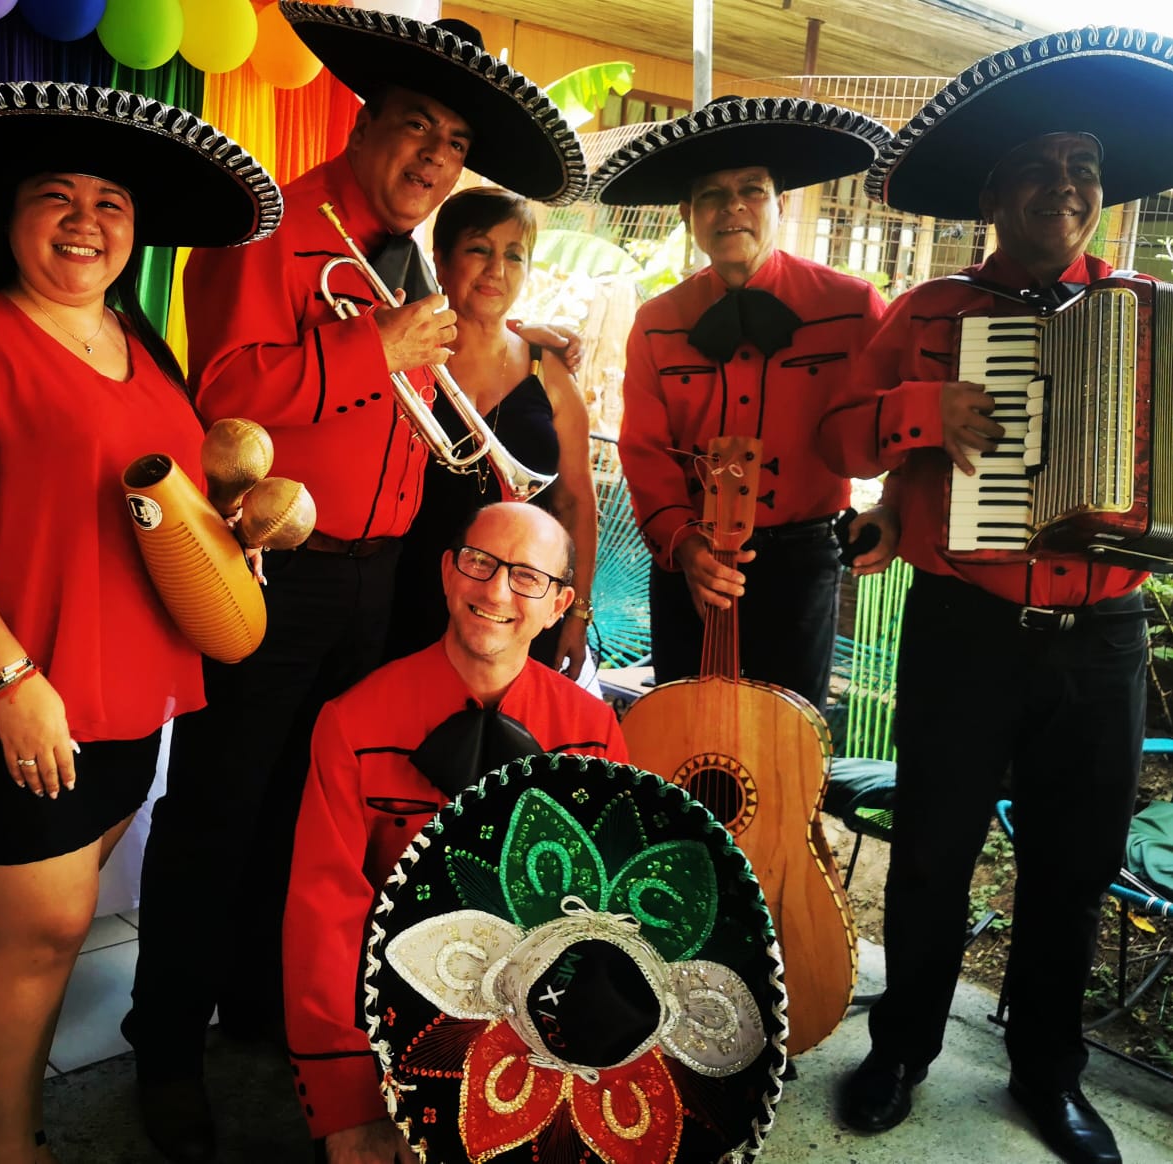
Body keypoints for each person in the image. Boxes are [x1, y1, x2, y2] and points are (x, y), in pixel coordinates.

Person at [121, 8, 588, 1161]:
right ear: (365, 121)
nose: (432, 161)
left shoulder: (407, 256)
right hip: (277, 571)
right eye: (414, 131)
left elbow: (428, 372)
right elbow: (223, 388)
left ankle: (260, 1007)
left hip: (377, 583)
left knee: (310, 819)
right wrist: (365, 350)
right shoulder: (266, 224)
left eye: (451, 146)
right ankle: (164, 1048)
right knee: (219, 814)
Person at [0, 82, 279, 1164]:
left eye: (110, 202)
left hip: (124, 694)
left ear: (134, 229)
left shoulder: (145, 351)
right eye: (55, 195)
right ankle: (3, 1138)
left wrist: (225, 539)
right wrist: (12, 680)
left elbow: (145, 514)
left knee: (51, 918)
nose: (85, 220)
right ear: (11, 215)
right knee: (45, 929)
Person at [818, 27, 1173, 1163]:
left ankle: (1044, 1072)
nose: (1063, 184)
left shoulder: (1145, 310)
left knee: (1070, 869)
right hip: (965, 628)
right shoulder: (930, 309)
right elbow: (839, 430)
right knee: (931, 847)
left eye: (1081, 165)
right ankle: (904, 1047)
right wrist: (923, 414)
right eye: (1037, 163)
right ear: (991, 192)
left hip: (1104, 634)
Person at [283, 501, 629, 1162]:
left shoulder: (594, 733)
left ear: (560, 605)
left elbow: (607, 922)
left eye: (527, 576)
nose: (497, 590)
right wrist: (349, 1105)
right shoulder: (351, 723)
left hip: (541, 1020)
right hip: (396, 1022)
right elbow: (323, 918)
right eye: (480, 563)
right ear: (447, 573)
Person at [593, 96, 893, 710]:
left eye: (751, 189)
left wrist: (896, 506)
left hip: (804, 562)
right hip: (690, 559)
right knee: (686, 731)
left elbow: (903, 416)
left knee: (787, 744)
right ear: (687, 214)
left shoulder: (853, 307)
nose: (732, 207)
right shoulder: (657, 322)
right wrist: (686, 546)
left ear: (779, 203)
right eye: (710, 194)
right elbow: (645, 451)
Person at [383, 187, 598, 681]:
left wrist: (578, 615)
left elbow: (576, 505)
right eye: (479, 249)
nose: (496, 270)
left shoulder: (553, 374)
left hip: (519, 606)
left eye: (514, 255)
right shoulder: (404, 352)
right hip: (408, 593)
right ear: (440, 258)